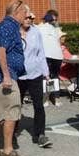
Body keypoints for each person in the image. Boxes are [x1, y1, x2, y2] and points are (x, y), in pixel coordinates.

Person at [0, 0, 29, 156]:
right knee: (12, 112)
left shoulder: (6, 26)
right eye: (24, 11)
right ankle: (8, 150)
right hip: (5, 78)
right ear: (16, 11)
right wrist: (7, 75)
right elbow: (0, 51)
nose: (27, 15)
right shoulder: (8, 26)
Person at [19, 11, 51, 148]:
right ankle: (12, 130)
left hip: (35, 73)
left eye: (31, 17)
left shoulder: (36, 32)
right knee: (15, 105)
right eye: (27, 17)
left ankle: (40, 135)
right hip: (18, 75)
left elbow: (41, 53)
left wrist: (46, 72)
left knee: (38, 104)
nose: (29, 19)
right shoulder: (13, 32)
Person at [37, 10, 63, 106]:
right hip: (57, 55)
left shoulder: (38, 28)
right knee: (55, 76)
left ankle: (46, 99)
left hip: (46, 55)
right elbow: (62, 39)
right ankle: (56, 99)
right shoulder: (56, 28)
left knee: (45, 76)